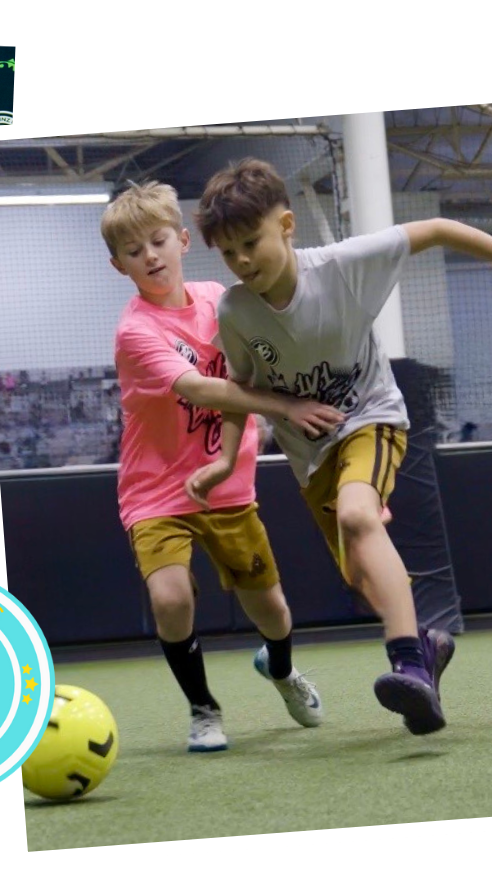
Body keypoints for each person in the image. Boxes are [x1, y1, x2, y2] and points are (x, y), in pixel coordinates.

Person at [195, 158, 492, 735]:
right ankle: (429, 646)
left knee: (359, 515)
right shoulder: (235, 310)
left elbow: (439, 228)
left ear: (287, 225)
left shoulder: (344, 267)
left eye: (252, 242)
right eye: (228, 253)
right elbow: (239, 390)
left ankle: (409, 665)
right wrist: (224, 458)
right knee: (362, 575)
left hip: (372, 417)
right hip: (311, 455)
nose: (242, 261)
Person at [103, 181, 347, 752]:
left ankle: (282, 670)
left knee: (273, 608)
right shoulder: (135, 331)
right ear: (120, 266)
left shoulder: (224, 300)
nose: (151, 257)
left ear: (184, 240)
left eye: (159, 241)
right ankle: (203, 709)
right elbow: (198, 387)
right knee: (170, 597)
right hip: (156, 492)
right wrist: (287, 407)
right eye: (135, 252)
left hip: (228, 486)